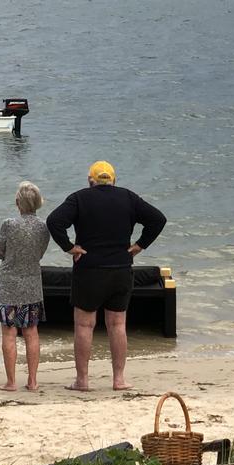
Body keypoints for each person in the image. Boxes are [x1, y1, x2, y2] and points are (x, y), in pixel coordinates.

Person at [46, 161, 166, 391]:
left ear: (90, 181)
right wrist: (141, 245)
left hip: (89, 269)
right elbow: (158, 219)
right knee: (118, 324)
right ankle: (118, 379)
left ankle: (82, 380)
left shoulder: (80, 198)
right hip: (121, 269)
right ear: (114, 180)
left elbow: (54, 221)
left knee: (84, 324)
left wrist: (69, 247)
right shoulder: (129, 198)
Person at [0, 181, 50, 392]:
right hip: (32, 283)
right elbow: (40, 253)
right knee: (31, 332)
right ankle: (33, 381)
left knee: (9, 333)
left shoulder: (9, 224)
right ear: (38, 203)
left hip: (7, 284)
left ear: (18, 202)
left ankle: (11, 382)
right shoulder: (45, 227)